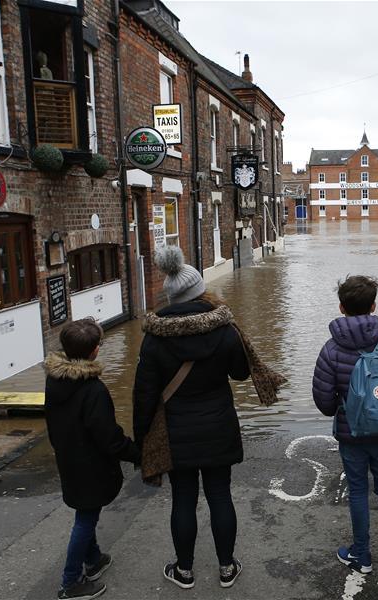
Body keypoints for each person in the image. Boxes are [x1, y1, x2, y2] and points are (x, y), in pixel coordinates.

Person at [133, 246, 250, 590]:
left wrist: (142, 441)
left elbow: (143, 395)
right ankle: (227, 568)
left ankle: (184, 571)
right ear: (200, 291)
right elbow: (241, 373)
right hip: (217, 426)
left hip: (175, 430)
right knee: (220, 495)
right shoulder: (225, 329)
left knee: (183, 499)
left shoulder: (154, 340)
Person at [312, 275, 378, 576]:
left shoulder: (331, 350)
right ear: (373, 306)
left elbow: (323, 402)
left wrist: (343, 408)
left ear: (341, 307)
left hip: (351, 433)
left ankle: (362, 555)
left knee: (358, 491)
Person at [44, 317, 141, 600]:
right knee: (85, 519)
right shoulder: (93, 390)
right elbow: (108, 437)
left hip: (68, 459)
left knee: (84, 511)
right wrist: (136, 453)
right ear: (94, 351)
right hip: (91, 465)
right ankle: (70, 582)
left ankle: (94, 559)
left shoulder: (55, 381)